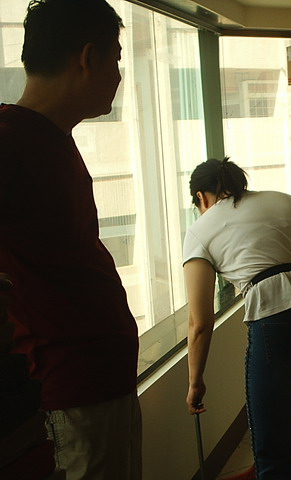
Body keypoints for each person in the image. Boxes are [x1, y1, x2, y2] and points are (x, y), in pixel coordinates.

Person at [0, 1, 141, 478]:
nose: (118, 75)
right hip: (69, 388)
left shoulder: (53, 138)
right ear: (88, 57)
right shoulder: (9, 143)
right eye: (116, 58)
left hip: (99, 381)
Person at [183, 158, 291, 480]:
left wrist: (195, 382)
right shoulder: (285, 201)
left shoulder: (200, 229)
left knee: (273, 455)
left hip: (278, 327)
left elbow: (200, 322)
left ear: (200, 197)